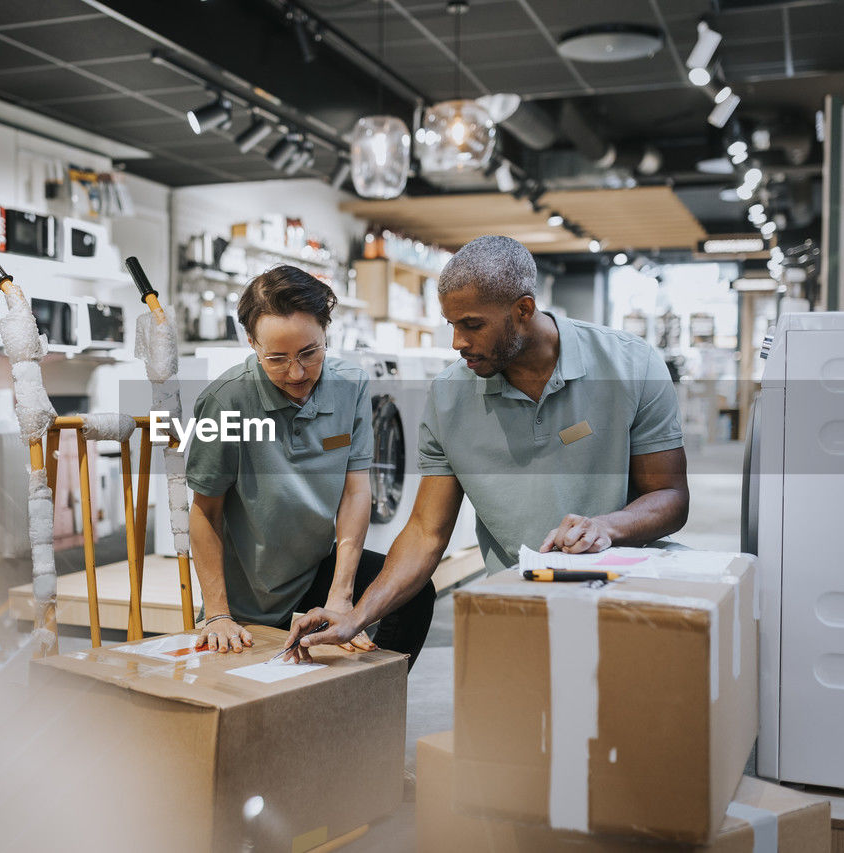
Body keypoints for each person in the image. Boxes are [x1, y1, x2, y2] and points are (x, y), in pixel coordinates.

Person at [283, 236, 689, 660]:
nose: (457, 342)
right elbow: (426, 531)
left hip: (628, 597)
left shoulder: (630, 365)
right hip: (520, 604)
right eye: (451, 325)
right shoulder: (448, 398)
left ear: (523, 310)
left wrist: (608, 526)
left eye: (472, 325)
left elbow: (671, 497)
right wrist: (356, 615)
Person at [186, 264, 435, 667]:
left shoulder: (350, 385)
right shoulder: (226, 401)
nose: (297, 373)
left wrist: (342, 596)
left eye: (309, 352)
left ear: (326, 333)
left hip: (316, 565)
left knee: (413, 591)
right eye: (277, 359)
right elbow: (205, 512)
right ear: (251, 342)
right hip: (253, 590)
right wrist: (217, 613)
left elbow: (356, 492)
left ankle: (372, 705)